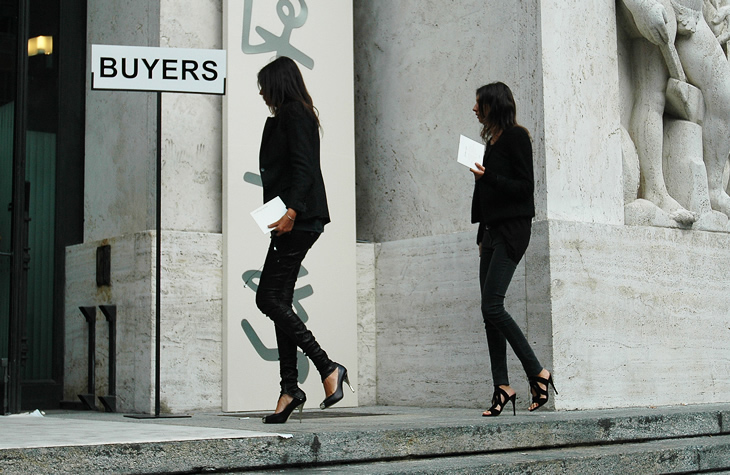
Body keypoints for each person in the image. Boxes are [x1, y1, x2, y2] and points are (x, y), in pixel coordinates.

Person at [255, 56, 352, 424]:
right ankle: (289, 389)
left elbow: (304, 168)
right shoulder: (291, 114)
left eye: (264, 85)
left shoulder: (295, 113)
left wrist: (292, 212)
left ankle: (327, 367)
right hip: (294, 219)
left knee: (267, 297)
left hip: (300, 219)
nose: (261, 93)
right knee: (278, 300)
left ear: (278, 83)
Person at [469, 82, 556, 417]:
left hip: (511, 232)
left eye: (479, 103)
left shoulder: (517, 137)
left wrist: (488, 177)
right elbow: (487, 194)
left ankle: (537, 372)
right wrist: (481, 235)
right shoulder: (490, 143)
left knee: (493, 305)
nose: (474, 109)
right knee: (488, 313)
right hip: (490, 234)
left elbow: (524, 188)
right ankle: (502, 387)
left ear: (494, 105)